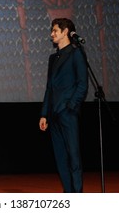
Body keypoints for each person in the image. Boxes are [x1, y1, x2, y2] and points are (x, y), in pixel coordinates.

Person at [39, 18, 88, 193]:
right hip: (54, 114)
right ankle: (69, 195)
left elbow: (83, 84)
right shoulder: (53, 58)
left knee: (74, 157)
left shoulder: (76, 53)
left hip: (68, 113)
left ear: (65, 31)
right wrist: (44, 114)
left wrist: (71, 106)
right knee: (61, 159)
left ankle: (78, 195)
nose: (52, 34)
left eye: (55, 31)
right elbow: (49, 88)